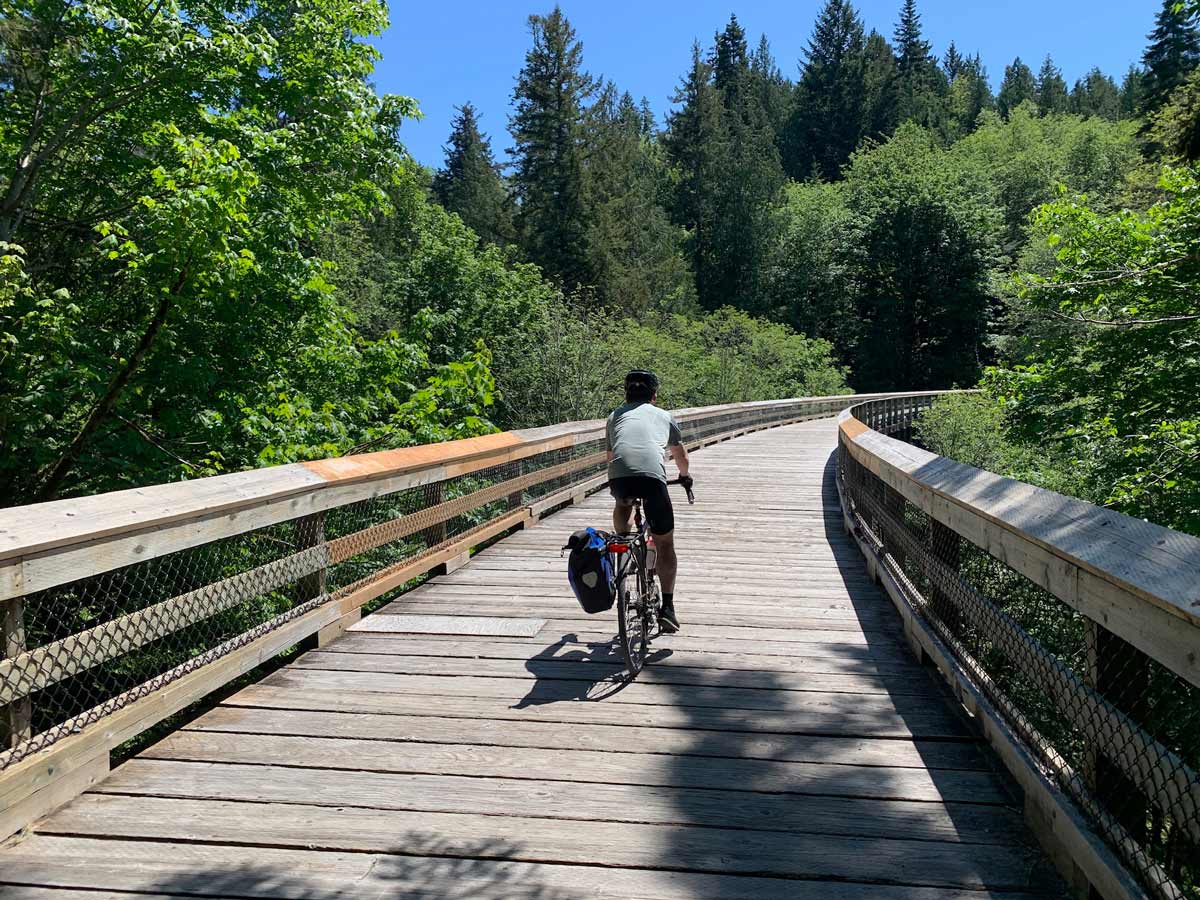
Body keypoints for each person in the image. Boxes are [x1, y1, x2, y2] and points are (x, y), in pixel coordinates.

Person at [605, 369, 692, 633]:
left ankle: (623, 538)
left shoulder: (614, 416)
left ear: (626, 394)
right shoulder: (664, 416)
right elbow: (680, 457)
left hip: (621, 478)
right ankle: (667, 607)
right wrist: (685, 477)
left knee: (623, 502)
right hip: (653, 479)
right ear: (654, 395)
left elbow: (611, 456)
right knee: (664, 542)